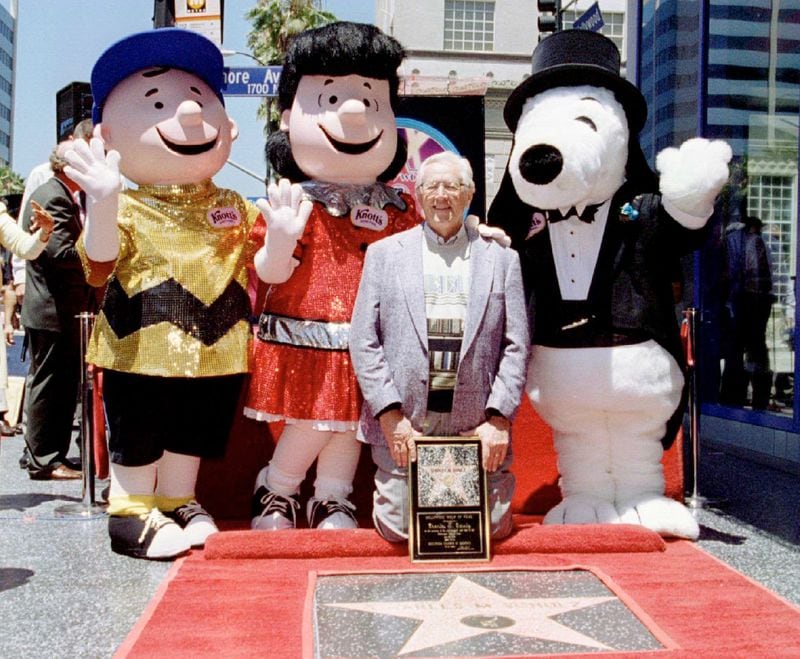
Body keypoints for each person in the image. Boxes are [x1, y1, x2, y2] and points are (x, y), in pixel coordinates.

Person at [65, 28, 262, 560]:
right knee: (143, 423)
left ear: (229, 126)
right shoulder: (127, 205)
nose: (190, 114)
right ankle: (130, 508)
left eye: (199, 99)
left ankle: (178, 499)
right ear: (109, 136)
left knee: (196, 424)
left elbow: (263, 262)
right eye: (157, 104)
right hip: (141, 343)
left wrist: (284, 240)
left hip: (217, 343)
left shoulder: (234, 205)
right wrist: (103, 203)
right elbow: (97, 265)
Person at [244, 22, 419, 531]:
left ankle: (332, 496)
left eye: (371, 99)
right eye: (332, 98)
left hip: (370, 340)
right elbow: (268, 272)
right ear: (287, 118)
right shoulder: (294, 201)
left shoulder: (398, 207)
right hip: (307, 333)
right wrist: (279, 240)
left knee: (352, 422)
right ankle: (277, 487)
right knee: (313, 418)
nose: (355, 112)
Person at [349, 151, 529, 542]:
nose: (442, 195)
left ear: (470, 194)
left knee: (490, 530)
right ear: (417, 195)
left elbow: (516, 345)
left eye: (452, 186)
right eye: (432, 186)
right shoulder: (384, 255)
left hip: (475, 425)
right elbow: (363, 339)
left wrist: (498, 421)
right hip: (409, 422)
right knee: (400, 531)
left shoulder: (503, 259)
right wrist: (390, 416)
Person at [19, 143, 90, 481]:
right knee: (50, 384)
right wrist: (98, 257)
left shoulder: (56, 194)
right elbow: (60, 253)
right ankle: (45, 458)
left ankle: (47, 454)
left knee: (56, 384)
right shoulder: (54, 197)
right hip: (52, 308)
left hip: (54, 308)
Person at [720, 214, 775, 409]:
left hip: (747, 299)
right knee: (754, 347)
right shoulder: (759, 243)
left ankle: (736, 396)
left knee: (741, 348)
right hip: (756, 299)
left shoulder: (746, 242)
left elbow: (735, 272)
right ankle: (755, 396)